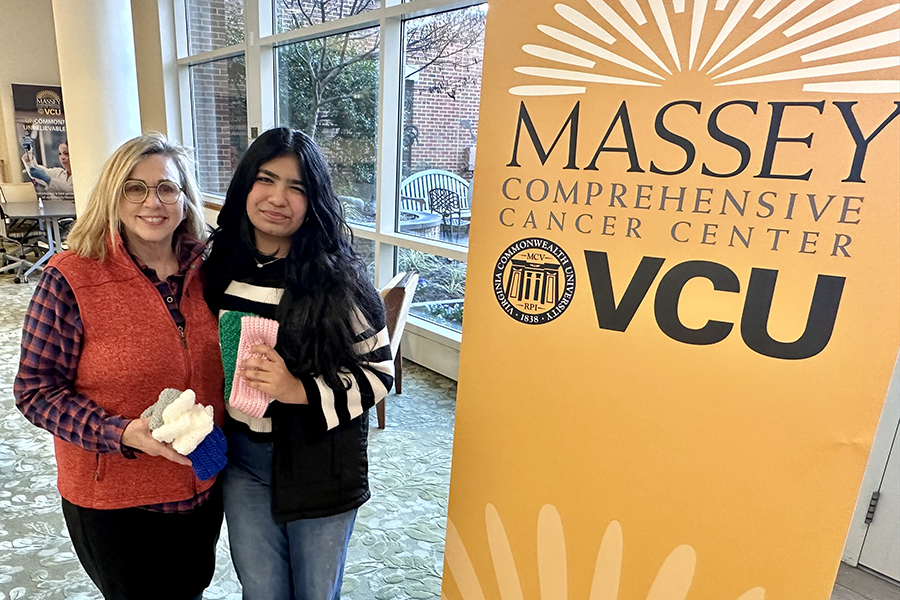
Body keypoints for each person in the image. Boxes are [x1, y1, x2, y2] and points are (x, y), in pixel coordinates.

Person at [14, 133, 225, 600]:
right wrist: (122, 432)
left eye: (167, 188)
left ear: (185, 198)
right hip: (114, 499)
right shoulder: (71, 277)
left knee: (190, 592)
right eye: (135, 188)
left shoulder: (208, 272)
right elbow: (34, 391)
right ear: (113, 195)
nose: (153, 202)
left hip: (201, 487)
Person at [203, 127, 394, 600]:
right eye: (266, 179)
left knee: (314, 592)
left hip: (319, 462)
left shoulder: (338, 279)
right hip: (243, 461)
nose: (277, 198)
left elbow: (380, 375)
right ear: (246, 184)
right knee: (262, 592)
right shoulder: (220, 267)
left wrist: (296, 389)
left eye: (298, 188)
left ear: (315, 203)